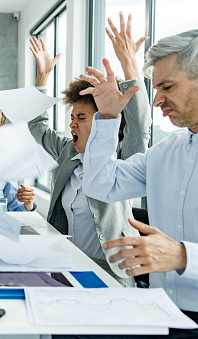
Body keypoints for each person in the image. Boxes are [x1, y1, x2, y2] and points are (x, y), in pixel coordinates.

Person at [76, 28, 198, 337]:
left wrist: (185, 257)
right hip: (159, 314)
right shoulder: (164, 153)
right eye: (155, 88)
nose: (157, 100)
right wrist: (107, 118)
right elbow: (100, 186)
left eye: (167, 86)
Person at [27, 13, 151, 286]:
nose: (72, 123)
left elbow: (139, 127)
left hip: (111, 275)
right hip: (66, 268)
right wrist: (43, 75)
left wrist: (130, 67)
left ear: (103, 119)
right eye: (72, 117)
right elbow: (37, 124)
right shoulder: (66, 152)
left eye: (81, 118)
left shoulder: (122, 158)